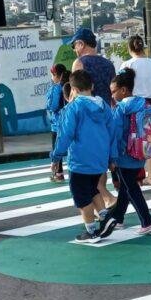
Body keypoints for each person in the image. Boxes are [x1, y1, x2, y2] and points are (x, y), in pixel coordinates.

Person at [51, 70, 115, 244]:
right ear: (92, 86)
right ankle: (105, 216)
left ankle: (91, 231)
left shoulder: (73, 108)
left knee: (80, 196)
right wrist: (112, 157)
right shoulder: (104, 106)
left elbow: (65, 135)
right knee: (92, 189)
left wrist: (56, 156)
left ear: (73, 89)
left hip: (80, 159)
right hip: (100, 158)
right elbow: (113, 132)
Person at [106, 68, 151, 235]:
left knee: (131, 188)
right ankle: (118, 218)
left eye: (114, 91)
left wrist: (112, 157)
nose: (112, 95)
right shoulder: (143, 103)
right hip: (141, 153)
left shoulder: (121, 108)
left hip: (125, 155)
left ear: (123, 90)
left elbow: (116, 134)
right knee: (126, 187)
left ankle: (147, 221)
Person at [70, 27, 116, 208]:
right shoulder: (109, 64)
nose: (75, 49)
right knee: (101, 160)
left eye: (75, 45)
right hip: (105, 114)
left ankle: (106, 197)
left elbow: (76, 93)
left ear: (81, 44)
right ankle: (103, 198)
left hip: (86, 116)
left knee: (86, 162)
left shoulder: (79, 63)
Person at [120, 35, 151, 186]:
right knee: (150, 140)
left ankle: (137, 176)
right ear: (143, 47)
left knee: (133, 138)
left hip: (132, 104)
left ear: (130, 48)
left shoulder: (126, 65)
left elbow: (121, 88)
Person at [47, 64, 69, 182]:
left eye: (52, 75)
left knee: (57, 147)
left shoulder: (56, 88)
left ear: (56, 75)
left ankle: (58, 173)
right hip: (69, 120)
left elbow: (53, 106)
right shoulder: (70, 84)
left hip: (57, 123)